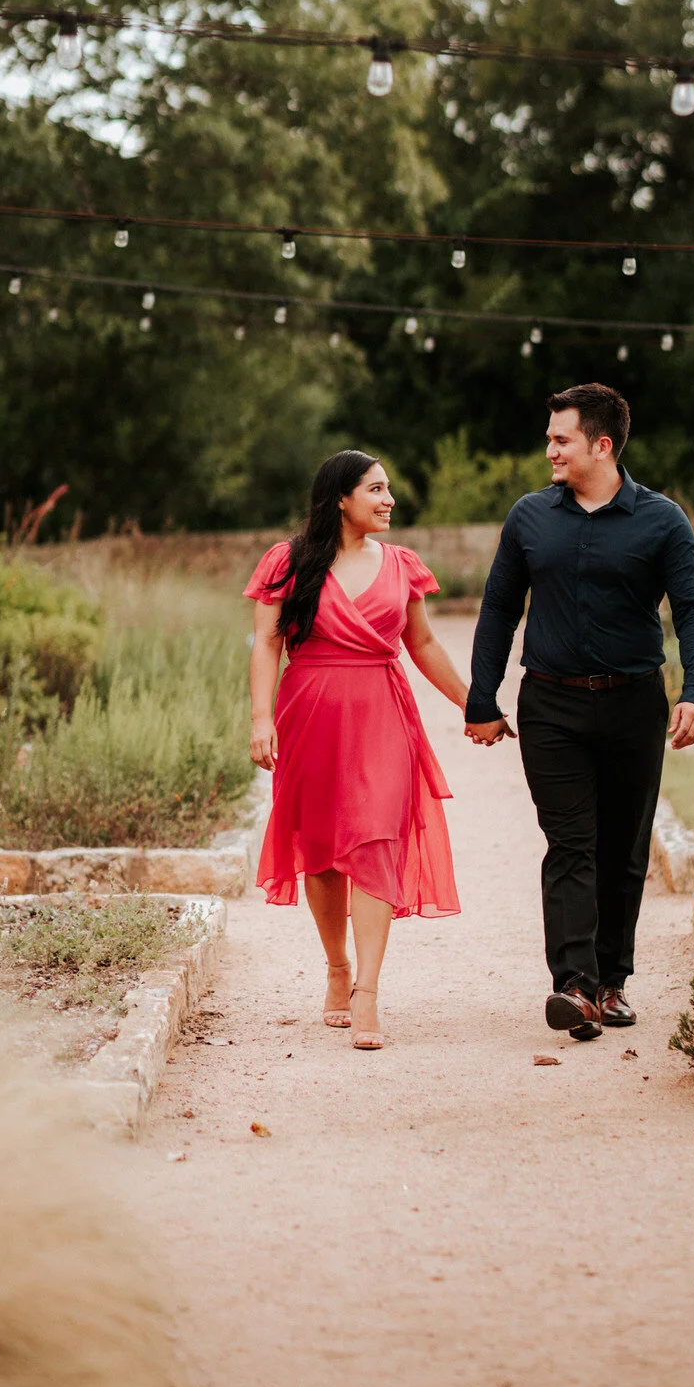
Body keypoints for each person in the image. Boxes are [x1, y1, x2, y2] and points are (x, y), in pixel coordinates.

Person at [464, 384, 694, 1039]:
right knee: (571, 844)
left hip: (634, 702)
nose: (549, 449)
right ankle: (574, 986)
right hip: (550, 703)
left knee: (622, 851)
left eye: (561, 439)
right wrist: (482, 694)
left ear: (601, 445)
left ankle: (612, 983)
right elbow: (498, 608)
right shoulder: (528, 518)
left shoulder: (662, 520)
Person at [246, 450, 468, 1050]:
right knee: (317, 848)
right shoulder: (288, 562)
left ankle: (367, 991)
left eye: (389, 489)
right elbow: (267, 644)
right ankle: (337, 967)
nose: (388, 499)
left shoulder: (402, 565)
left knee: (375, 838)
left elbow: (422, 645)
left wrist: (472, 704)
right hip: (308, 713)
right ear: (340, 498)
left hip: (381, 715)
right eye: (376, 489)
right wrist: (260, 718)